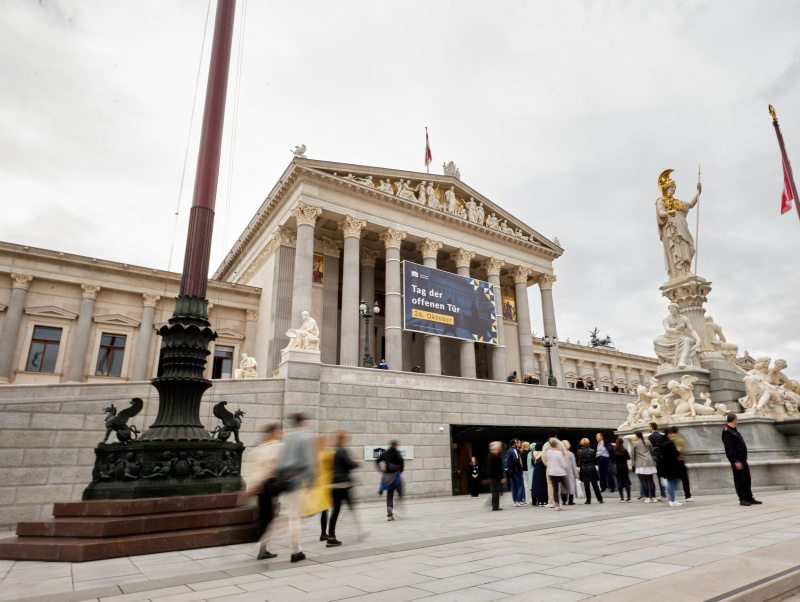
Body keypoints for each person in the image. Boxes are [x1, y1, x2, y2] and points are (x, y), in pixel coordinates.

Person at [275, 412, 315, 563]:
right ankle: (295, 551)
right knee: (297, 517)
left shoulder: (287, 437)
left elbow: (279, 463)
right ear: (302, 422)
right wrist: (310, 483)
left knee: (294, 516)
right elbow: (309, 462)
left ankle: (297, 550)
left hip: (287, 481)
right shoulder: (305, 437)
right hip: (299, 481)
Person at [241, 423, 283, 560]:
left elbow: (252, 468)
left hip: (260, 487)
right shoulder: (276, 447)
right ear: (273, 433)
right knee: (268, 518)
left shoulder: (259, 448)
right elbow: (272, 467)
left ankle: (262, 548)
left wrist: (252, 487)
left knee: (266, 517)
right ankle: (261, 546)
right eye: (278, 432)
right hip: (268, 485)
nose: (280, 434)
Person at [326, 430, 364, 546]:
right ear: (343, 439)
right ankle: (359, 532)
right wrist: (357, 462)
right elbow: (349, 465)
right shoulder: (342, 450)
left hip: (333, 483)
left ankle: (331, 537)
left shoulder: (332, 450)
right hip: (343, 484)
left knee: (335, 510)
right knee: (351, 507)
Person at [299, 435, 335, 543]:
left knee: (323, 510)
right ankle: (323, 533)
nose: (325, 443)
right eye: (323, 442)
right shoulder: (323, 454)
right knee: (319, 510)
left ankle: (323, 533)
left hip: (318, 485)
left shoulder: (312, 455)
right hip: (320, 486)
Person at [722, 414, 761, 506]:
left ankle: (749, 498)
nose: (737, 421)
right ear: (734, 420)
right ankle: (742, 499)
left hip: (743, 459)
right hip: (737, 460)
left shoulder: (733, 430)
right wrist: (735, 461)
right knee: (740, 480)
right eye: (737, 420)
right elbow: (730, 449)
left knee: (747, 479)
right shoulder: (727, 432)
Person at [377, 440, 404, 520]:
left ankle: (389, 514)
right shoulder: (397, 453)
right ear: (395, 445)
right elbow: (401, 461)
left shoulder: (385, 453)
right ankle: (395, 508)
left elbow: (377, 460)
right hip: (396, 476)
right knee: (400, 493)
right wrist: (401, 470)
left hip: (388, 476)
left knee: (389, 495)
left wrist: (380, 470)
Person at [659, 429, 683, 507]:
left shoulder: (661, 443)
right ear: (668, 434)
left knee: (670, 482)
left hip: (664, 464)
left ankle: (672, 499)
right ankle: (672, 500)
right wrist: (677, 450)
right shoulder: (670, 443)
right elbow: (675, 453)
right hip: (671, 464)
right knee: (671, 482)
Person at [668, 426, 693, 502]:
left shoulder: (668, 441)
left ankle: (672, 496)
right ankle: (687, 496)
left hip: (671, 462)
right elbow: (686, 451)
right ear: (677, 432)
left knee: (672, 480)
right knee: (685, 479)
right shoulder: (680, 441)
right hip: (680, 461)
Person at [631, 431, 657, 503]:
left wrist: (633, 464)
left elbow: (633, 455)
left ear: (636, 436)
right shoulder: (648, 442)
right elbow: (652, 451)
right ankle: (654, 497)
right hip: (649, 461)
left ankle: (647, 497)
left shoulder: (634, 443)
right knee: (651, 480)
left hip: (641, 463)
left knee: (643, 480)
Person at [541, 431, 565, 507]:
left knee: (550, 484)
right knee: (558, 485)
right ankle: (558, 501)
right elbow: (564, 455)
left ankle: (551, 502)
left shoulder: (546, 445)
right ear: (556, 435)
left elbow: (543, 456)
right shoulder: (561, 444)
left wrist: (547, 465)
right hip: (559, 468)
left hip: (550, 468)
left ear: (549, 435)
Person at [545, 439, 569, 510]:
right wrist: (565, 466)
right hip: (560, 473)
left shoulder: (548, 452)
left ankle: (557, 505)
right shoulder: (559, 453)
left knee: (555, 489)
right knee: (565, 486)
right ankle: (565, 499)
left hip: (551, 473)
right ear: (556, 445)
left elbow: (547, 461)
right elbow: (562, 463)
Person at [577, 438, 603, 503]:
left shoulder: (579, 451)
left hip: (584, 469)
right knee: (595, 485)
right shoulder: (592, 451)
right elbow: (595, 460)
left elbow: (577, 460)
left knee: (586, 485)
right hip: (592, 469)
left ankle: (588, 500)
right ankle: (600, 499)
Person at [648, 422, 668, 501]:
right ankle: (666, 493)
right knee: (664, 475)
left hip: (657, 458)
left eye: (649, 427)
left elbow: (651, 448)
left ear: (652, 427)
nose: (649, 428)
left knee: (660, 476)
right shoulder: (661, 436)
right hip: (664, 457)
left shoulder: (651, 437)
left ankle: (663, 494)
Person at [505, 439, 526, 506]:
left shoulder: (508, 451)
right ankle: (518, 500)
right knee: (520, 485)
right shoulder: (514, 450)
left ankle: (515, 501)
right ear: (514, 444)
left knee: (513, 486)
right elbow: (516, 460)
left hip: (511, 471)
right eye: (516, 442)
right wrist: (520, 468)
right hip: (516, 470)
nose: (518, 443)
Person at [487, 441, 505, 511]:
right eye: (499, 447)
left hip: (494, 476)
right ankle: (495, 506)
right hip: (494, 476)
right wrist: (501, 477)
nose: (500, 448)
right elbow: (496, 468)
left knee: (496, 491)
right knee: (495, 491)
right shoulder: (493, 456)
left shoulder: (495, 455)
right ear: (497, 448)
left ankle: (495, 505)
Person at [614, 437, 632, 502]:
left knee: (619, 481)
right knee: (626, 481)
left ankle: (621, 498)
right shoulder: (624, 450)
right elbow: (628, 458)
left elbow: (612, 458)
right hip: (624, 466)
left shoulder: (614, 450)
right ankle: (628, 497)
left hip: (617, 466)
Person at [562, 440, 578, 505]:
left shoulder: (560, 453)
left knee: (563, 486)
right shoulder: (571, 454)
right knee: (571, 486)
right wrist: (576, 475)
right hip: (570, 472)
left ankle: (564, 500)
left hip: (562, 472)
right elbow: (574, 465)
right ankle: (570, 501)